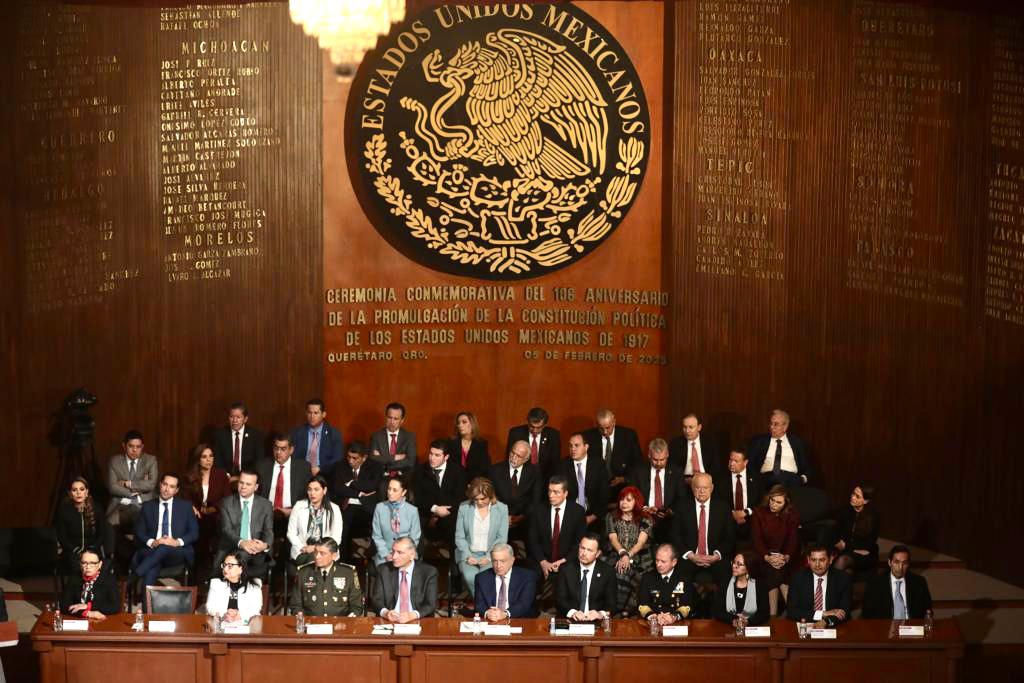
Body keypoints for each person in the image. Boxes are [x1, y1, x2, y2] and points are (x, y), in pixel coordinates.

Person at [131, 472, 199, 595]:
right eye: (165, 484)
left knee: (164, 548)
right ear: (160, 485)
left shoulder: (186, 506)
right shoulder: (148, 506)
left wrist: (176, 542)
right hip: (152, 552)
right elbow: (139, 532)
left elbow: (194, 533)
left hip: (176, 553)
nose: (167, 489)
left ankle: (134, 576)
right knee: (151, 571)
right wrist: (153, 542)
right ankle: (147, 613)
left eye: (172, 487)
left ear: (177, 490)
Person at [670, 473, 735, 585]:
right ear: (692, 488)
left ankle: (721, 603)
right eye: (698, 488)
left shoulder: (723, 508)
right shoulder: (681, 507)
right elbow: (675, 536)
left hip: (715, 558)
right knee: (679, 575)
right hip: (690, 557)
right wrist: (690, 555)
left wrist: (716, 555)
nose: (701, 491)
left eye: (705, 488)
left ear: (712, 488)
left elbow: (730, 537)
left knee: (726, 574)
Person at [750, 485, 801, 616]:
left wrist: (786, 557)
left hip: (784, 558)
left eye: (779, 502)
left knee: (778, 569)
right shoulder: (758, 513)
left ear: (786, 503)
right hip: (762, 556)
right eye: (772, 500)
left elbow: (793, 540)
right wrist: (767, 557)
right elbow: (757, 540)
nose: (773, 504)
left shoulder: (791, 515)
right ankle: (794, 611)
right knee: (774, 569)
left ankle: (773, 615)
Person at [454, 477, 509, 597]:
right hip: (468, 553)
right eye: (476, 499)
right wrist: (468, 555)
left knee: (486, 579)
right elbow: (459, 536)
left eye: (483, 498)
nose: (479, 502)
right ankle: (483, 607)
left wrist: (489, 557)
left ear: (491, 495)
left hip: (491, 554)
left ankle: (481, 608)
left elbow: (501, 538)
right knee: (470, 578)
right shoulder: (464, 507)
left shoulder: (502, 509)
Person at [182, 443, 231, 573]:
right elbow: (185, 498)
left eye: (211, 456)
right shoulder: (189, 476)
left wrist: (212, 509)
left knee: (209, 527)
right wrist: (192, 508)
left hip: (216, 515)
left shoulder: (221, 475)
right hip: (196, 515)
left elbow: (227, 498)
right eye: (204, 457)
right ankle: (199, 571)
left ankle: (205, 570)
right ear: (198, 459)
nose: (208, 460)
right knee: (198, 526)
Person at [331, 441, 384, 561]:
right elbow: (338, 488)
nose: (350, 461)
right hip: (347, 506)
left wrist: (351, 483)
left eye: (355, 458)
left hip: (367, 509)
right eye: (349, 457)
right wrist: (359, 493)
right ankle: (343, 563)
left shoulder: (375, 466)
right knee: (341, 531)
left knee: (377, 528)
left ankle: (372, 562)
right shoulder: (340, 466)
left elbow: (372, 486)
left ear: (364, 458)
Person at [215, 469, 273, 577]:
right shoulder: (226, 503)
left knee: (256, 563)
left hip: (257, 549)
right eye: (241, 482)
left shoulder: (266, 505)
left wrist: (264, 545)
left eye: (248, 484)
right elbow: (226, 529)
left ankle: (252, 586)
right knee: (239, 558)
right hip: (232, 546)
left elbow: (268, 531)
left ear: (256, 487)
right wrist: (242, 543)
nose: (243, 486)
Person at [527, 476, 586, 581]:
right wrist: (543, 562)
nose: (551, 495)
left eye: (556, 492)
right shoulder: (538, 510)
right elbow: (533, 541)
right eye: (549, 491)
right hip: (541, 559)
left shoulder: (578, 512)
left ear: (565, 493)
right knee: (530, 578)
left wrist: (563, 561)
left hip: (567, 560)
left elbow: (579, 543)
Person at [604, 485, 652, 615]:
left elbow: (641, 542)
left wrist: (628, 555)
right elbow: (613, 539)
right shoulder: (611, 516)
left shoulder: (645, 518)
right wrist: (623, 554)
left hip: (639, 557)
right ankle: (617, 610)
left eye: (628, 500)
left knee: (625, 572)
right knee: (618, 571)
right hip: (616, 553)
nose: (624, 503)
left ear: (636, 501)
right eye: (621, 499)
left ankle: (624, 611)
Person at [289, 538, 363, 616]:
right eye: (316, 552)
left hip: (340, 624)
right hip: (311, 624)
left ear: (334, 556)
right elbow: (295, 604)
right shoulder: (303, 572)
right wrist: (300, 615)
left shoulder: (348, 573)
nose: (317, 557)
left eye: (322, 553)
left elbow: (356, 605)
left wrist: (351, 616)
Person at [370, 537, 438, 621]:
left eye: (399, 552)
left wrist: (413, 615)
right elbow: (376, 600)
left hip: (418, 620)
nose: (394, 557)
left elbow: (431, 604)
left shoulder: (429, 572)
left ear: (412, 555)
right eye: (393, 551)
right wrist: (386, 613)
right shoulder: (383, 570)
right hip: (390, 621)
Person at [414, 440, 467, 545]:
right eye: (431, 454)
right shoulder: (420, 470)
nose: (432, 458)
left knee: (457, 522)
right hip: (427, 512)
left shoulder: (458, 471)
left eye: (437, 455)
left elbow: (461, 498)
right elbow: (418, 498)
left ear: (446, 457)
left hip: (450, 513)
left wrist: (445, 510)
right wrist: (435, 509)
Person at [54, 477, 111, 574]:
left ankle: (94, 589)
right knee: (79, 567)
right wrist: (77, 551)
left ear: (87, 492)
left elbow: (102, 534)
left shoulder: (97, 508)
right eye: (74, 490)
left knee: (98, 567)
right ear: (70, 493)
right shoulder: (64, 511)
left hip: (93, 549)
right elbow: (62, 537)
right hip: (72, 552)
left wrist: (91, 550)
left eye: (82, 489)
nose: (78, 493)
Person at [489, 440, 542, 541]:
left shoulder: (535, 472)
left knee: (535, 526)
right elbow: (491, 496)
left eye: (519, 456)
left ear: (526, 459)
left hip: (524, 517)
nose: (513, 458)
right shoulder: (495, 470)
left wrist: (520, 517)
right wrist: (504, 516)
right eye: (512, 453)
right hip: (499, 516)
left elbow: (535, 500)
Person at [628, 438, 679, 544]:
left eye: (662, 460)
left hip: (669, 518)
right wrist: (644, 508)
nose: (659, 463)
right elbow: (632, 494)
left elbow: (681, 497)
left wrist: (669, 511)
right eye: (655, 460)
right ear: (649, 455)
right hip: (643, 516)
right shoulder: (637, 470)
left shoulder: (676, 471)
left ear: (667, 455)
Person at [556, 533, 617, 620]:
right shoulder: (566, 569)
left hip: (596, 622)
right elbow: (560, 600)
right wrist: (573, 613)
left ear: (598, 553)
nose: (584, 553)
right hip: (571, 621)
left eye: (589, 550)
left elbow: (612, 604)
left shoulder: (608, 572)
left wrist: (600, 614)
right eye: (582, 548)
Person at [787, 544, 852, 627]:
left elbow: (844, 611)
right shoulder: (798, 578)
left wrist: (826, 621)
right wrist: (823, 614)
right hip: (805, 624)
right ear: (808, 560)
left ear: (830, 560)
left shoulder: (843, 578)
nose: (817, 564)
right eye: (813, 560)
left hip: (833, 625)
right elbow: (791, 611)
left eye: (822, 560)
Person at [862, 544, 933, 619]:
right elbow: (867, 614)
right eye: (897, 562)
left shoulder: (919, 582)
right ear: (889, 562)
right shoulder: (874, 583)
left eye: (904, 563)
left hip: (911, 627)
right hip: (885, 627)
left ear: (908, 564)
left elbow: (928, 611)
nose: (900, 567)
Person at [286, 475, 343, 565]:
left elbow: (336, 537)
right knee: (314, 560)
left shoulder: (335, 509)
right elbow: (291, 533)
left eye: (316, 489)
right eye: (309, 489)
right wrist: (303, 547)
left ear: (324, 490)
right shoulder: (299, 506)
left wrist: (316, 549)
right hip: (302, 551)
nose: (312, 493)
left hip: (326, 552)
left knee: (317, 559)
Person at [105, 430, 158, 526]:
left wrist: (127, 484)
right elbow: (112, 487)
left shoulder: (150, 460)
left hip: (143, 503)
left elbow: (151, 484)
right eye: (131, 446)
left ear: (142, 447)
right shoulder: (114, 461)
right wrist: (136, 490)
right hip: (121, 503)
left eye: (138, 447)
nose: (134, 450)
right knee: (109, 525)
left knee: (142, 523)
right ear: (124, 446)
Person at [747, 409, 812, 487]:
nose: (771, 427)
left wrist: (802, 479)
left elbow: (807, 467)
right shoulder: (759, 441)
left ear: (785, 426)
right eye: (771, 423)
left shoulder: (797, 443)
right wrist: (755, 479)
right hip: (766, 479)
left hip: (791, 480)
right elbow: (749, 463)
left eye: (776, 424)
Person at [258, 435, 314, 523]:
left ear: (291, 450)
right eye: (276, 448)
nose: (278, 452)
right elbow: (256, 493)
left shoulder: (303, 468)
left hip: (293, 515)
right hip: (266, 515)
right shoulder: (262, 466)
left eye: (283, 449)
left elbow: (309, 494)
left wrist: (294, 511)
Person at [583, 409, 642, 491]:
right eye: (601, 428)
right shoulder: (588, 436)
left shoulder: (628, 436)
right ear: (597, 424)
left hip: (622, 485)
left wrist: (624, 478)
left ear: (614, 422)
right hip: (596, 486)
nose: (605, 432)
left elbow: (638, 462)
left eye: (608, 428)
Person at [474, 542, 536, 620]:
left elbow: (524, 604)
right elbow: (479, 605)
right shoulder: (481, 578)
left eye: (502, 561)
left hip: (518, 619)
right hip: (491, 621)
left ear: (512, 560)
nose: (498, 565)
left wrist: (505, 614)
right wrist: (487, 613)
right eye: (495, 561)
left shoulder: (527, 576)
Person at [637, 544, 696, 624]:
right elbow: (642, 605)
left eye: (663, 561)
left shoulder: (684, 578)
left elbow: (687, 606)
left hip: (677, 623)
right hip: (653, 623)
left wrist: (673, 617)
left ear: (674, 562)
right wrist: (654, 617)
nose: (658, 564)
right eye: (657, 560)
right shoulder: (648, 577)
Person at [561, 432, 609, 529]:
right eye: (570, 446)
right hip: (568, 517)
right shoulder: (562, 466)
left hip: (594, 516)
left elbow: (604, 494)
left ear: (586, 447)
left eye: (576, 445)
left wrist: (592, 517)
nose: (573, 449)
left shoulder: (599, 465)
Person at [371, 476, 421, 565]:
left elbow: (415, 538)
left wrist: (402, 554)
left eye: (395, 490)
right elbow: (377, 536)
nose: (390, 493)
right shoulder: (380, 508)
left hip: (407, 554)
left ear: (403, 492)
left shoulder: (412, 510)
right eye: (389, 489)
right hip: (385, 556)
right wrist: (386, 554)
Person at [712, 550, 770, 626]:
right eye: (734, 562)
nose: (734, 566)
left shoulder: (760, 585)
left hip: (752, 628)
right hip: (727, 626)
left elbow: (764, 614)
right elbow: (717, 611)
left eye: (739, 564)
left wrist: (748, 622)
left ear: (748, 567)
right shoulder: (725, 582)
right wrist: (733, 620)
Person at [833, 484, 880, 575]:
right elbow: (836, 534)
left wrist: (847, 546)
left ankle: (830, 588)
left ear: (865, 501)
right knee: (847, 572)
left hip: (867, 556)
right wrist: (852, 548)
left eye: (857, 496)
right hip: (847, 551)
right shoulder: (845, 511)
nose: (852, 497)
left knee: (843, 560)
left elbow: (868, 545)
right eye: (853, 494)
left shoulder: (873, 517)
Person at [717, 449, 763, 542]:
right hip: (728, 519)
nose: (732, 464)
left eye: (736, 461)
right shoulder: (720, 478)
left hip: (751, 518)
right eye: (730, 460)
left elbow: (762, 500)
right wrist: (733, 514)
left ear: (745, 462)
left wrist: (746, 512)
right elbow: (717, 500)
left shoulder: (757, 477)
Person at [505, 407, 562, 482]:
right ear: (528, 422)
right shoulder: (516, 433)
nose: (535, 430)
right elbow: (510, 459)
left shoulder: (553, 435)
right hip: (521, 478)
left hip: (545, 480)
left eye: (539, 427)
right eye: (532, 426)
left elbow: (555, 463)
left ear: (545, 425)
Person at [291, 398, 344, 478]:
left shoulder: (334, 434)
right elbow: (293, 456)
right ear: (306, 413)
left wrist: (320, 468)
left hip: (325, 474)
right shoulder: (297, 433)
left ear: (323, 414)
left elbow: (337, 458)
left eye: (316, 413)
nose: (312, 416)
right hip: (302, 474)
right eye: (309, 413)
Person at [212, 402, 265, 481]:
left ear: (245, 419)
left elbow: (259, 461)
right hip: (226, 478)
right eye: (231, 417)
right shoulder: (220, 435)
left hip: (248, 478)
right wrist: (226, 476)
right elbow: (218, 461)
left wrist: (241, 477)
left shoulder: (255, 435)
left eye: (238, 417)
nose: (234, 420)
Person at [60, 549, 118, 620]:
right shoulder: (74, 578)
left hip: (101, 621)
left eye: (92, 563)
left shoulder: (109, 579)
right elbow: (63, 606)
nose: (88, 567)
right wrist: (87, 613)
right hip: (78, 620)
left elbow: (115, 607)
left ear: (100, 564)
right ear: (80, 564)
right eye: (84, 563)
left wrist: (88, 606)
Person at [205, 551, 262, 622]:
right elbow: (210, 607)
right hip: (222, 623)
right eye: (224, 565)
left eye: (230, 566)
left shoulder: (254, 584)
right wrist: (225, 614)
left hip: (246, 624)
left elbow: (256, 609)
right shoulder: (216, 583)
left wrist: (239, 615)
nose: (225, 569)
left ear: (241, 569)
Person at [668, 414, 724, 482]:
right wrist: (684, 480)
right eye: (685, 427)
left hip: (705, 480)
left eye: (691, 427)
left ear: (699, 427)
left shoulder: (710, 442)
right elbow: (673, 469)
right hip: (684, 481)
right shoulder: (675, 444)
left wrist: (704, 480)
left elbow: (716, 468)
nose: (687, 431)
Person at [370, 402, 417, 475]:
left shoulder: (409, 437)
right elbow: (373, 459)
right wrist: (395, 457)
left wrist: (386, 465)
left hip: (402, 477)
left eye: (396, 419)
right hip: (382, 477)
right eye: (389, 417)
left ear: (402, 420)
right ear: (386, 417)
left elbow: (410, 462)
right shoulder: (376, 436)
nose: (392, 422)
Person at [450, 411, 491, 481]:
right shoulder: (451, 443)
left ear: (472, 424)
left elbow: (484, 469)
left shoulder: (481, 444)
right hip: (454, 483)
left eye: (464, 422)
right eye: (458, 423)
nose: (460, 425)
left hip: (474, 484)